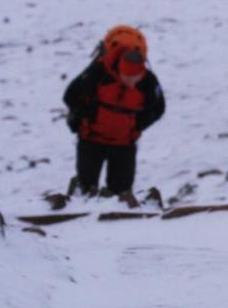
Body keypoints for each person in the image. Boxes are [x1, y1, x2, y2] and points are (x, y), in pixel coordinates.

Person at [63, 24, 165, 198]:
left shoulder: (148, 81)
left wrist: (136, 126)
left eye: (136, 78)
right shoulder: (99, 71)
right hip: (91, 140)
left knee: (121, 196)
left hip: (124, 145)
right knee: (85, 192)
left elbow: (159, 108)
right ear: (120, 70)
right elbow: (71, 95)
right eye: (128, 78)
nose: (132, 83)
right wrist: (89, 116)